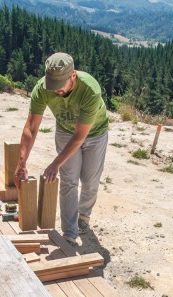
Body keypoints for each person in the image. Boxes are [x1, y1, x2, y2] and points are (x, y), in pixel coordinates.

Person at [14, 52, 109, 245]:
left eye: (60, 86)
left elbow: (80, 136)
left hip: (95, 134)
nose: (55, 91)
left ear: (72, 76)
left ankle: (83, 216)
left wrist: (55, 164)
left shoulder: (90, 89)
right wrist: (21, 163)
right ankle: (69, 233)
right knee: (68, 181)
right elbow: (31, 128)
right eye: (52, 86)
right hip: (66, 131)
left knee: (90, 182)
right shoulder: (41, 89)